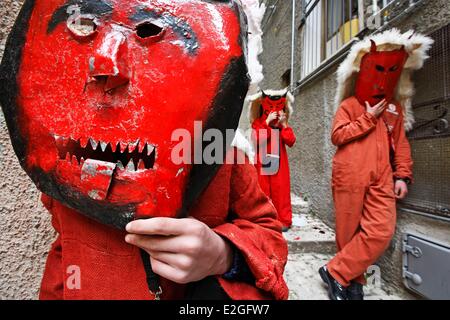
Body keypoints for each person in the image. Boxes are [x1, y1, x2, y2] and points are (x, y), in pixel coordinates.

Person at [0, 0, 288, 300]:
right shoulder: (71, 158)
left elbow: (267, 233)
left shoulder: (219, 152)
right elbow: (66, 249)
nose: (106, 65)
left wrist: (223, 255)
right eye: (83, 27)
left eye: (149, 31)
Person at [319, 29, 433, 300]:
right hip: (350, 173)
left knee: (381, 230)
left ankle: (335, 271)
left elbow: (401, 143)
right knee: (348, 232)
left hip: (383, 177)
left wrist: (402, 176)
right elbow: (338, 136)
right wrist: (367, 118)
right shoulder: (349, 104)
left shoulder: (395, 108)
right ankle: (351, 280)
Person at [248, 89, 296, 231]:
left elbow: (291, 141)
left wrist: (284, 124)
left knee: (280, 191)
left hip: (279, 163)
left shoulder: (282, 126)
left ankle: (283, 220)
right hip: (262, 162)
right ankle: (264, 219)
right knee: (263, 190)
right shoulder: (258, 123)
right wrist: (267, 123)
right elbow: (257, 139)